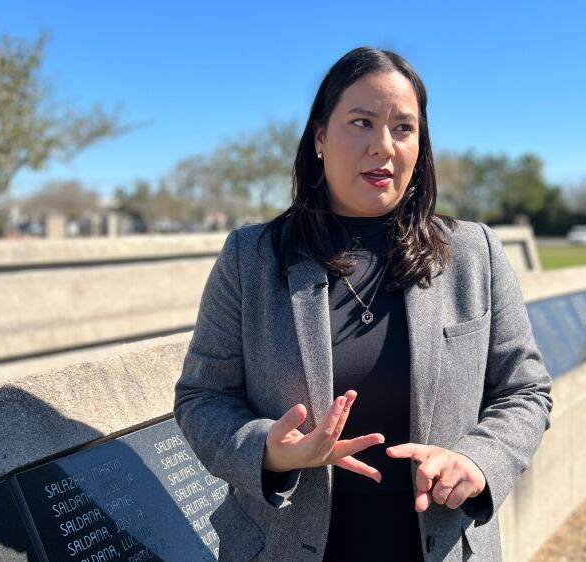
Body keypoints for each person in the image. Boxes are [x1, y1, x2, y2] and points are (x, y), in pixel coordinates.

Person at [174, 46, 553, 562]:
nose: (384, 147)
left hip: (438, 544)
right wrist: (269, 451)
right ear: (321, 138)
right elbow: (202, 397)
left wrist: (478, 461)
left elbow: (525, 389)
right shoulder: (251, 258)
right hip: (283, 545)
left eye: (403, 128)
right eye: (361, 122)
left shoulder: (474, 253)